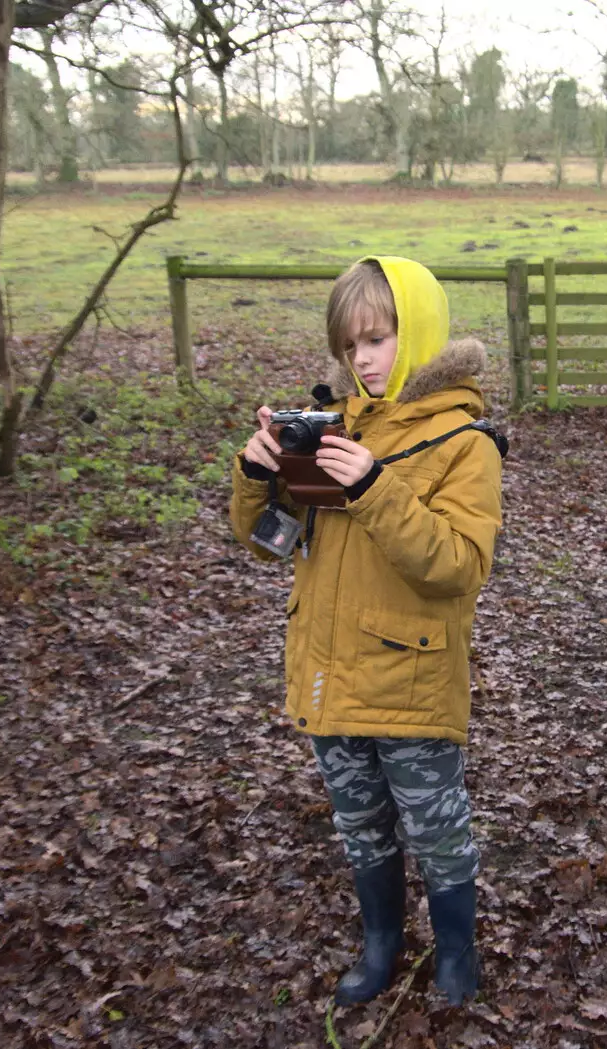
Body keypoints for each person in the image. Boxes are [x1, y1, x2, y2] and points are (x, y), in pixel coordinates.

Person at [229, 257, 503, 1007]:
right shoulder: (337, 426)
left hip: (410, 676)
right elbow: (269, 538)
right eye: (351, 346)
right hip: (328, 670)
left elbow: (458, 565)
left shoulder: (464, 441)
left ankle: (456, 955)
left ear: (415, 333)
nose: (363, 360)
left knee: (436, 826)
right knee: (361, 825)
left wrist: (375, 487)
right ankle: (381, 943)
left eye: (377, 339)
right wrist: (260, 473)